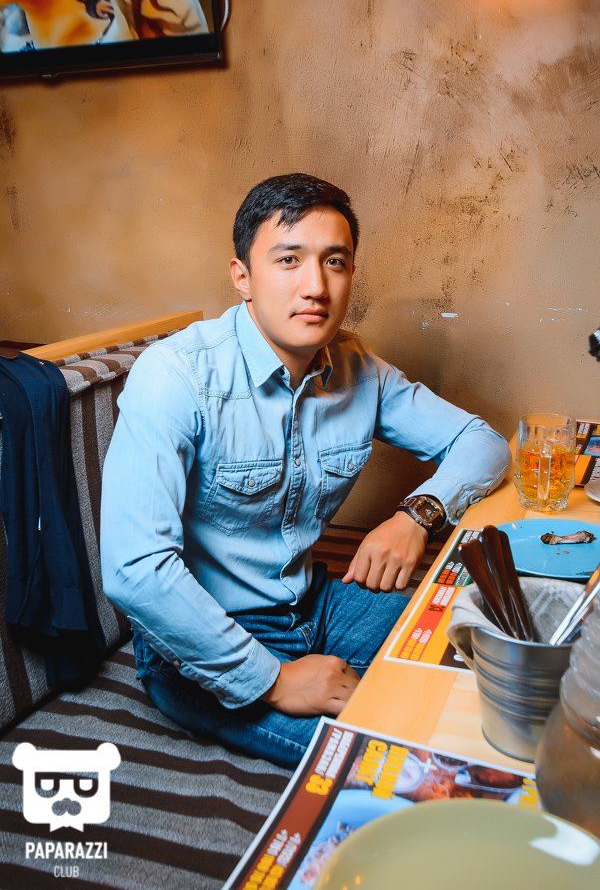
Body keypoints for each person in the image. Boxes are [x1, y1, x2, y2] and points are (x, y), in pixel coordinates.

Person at [100, 173, 511, 768]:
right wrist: (274, 681)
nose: (315, 286)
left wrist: (418, 514)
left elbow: (484, 443)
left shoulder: (357, 368)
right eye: (288, 260)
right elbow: (136, 571)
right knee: (392, 762)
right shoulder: (176, 375)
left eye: (334, 262)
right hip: (199, 644)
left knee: (493, 650)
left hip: (315, 604)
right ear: (242, 276)